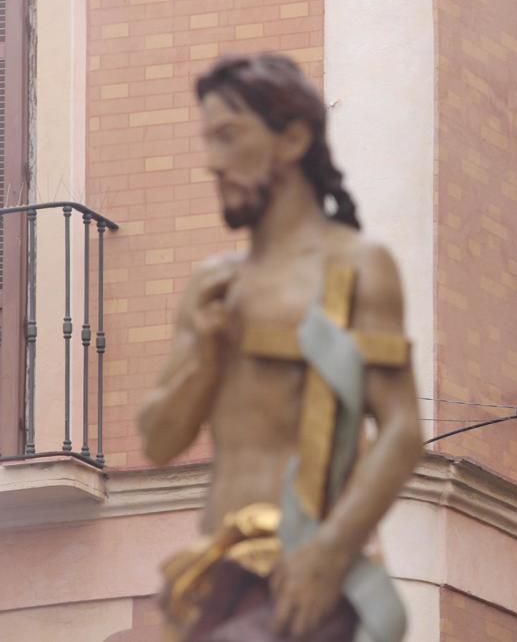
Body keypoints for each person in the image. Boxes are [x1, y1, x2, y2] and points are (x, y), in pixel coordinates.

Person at [136, 54, 424, 641]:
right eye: (207, 140)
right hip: (217, 574)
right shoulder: (214, 284)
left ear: (292, 139)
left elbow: (401, 429)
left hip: (300, 575)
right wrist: (205, 353)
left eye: (228, 137)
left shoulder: (356, 268)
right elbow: (159, 440)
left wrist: (330, 552)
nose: (211, 162)